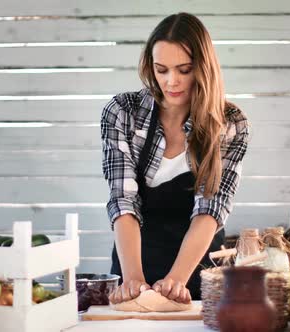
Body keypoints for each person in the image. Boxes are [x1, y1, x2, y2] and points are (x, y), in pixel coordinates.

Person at [100, 12, 250, 305]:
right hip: (134, 266)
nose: (172, 81)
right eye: (162, 69)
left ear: (204, 68)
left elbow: (211, 208)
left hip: (195, 272)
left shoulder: (230, 123)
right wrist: (132, 279)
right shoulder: (122, 113)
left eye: (184, 69)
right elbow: (123, 200)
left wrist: (176, 280)